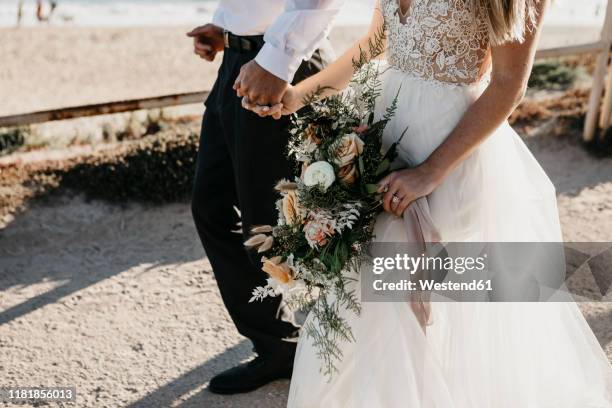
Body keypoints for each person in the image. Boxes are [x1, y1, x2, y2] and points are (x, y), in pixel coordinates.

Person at [246, 0, 612, 406]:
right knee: (372, 296)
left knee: (401, 297)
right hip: (384, 133)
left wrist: (431, 171)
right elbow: (376, 42)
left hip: (449, 149)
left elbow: (510, 83)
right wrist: (300, 95)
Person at [187, 0, 343, 395]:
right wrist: (226, 26)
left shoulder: (278, 59)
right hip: (238, 63)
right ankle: (278, 343)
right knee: (211, 206)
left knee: (277, 223)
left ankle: (335, 342)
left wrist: (276, 59)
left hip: (280, 67)